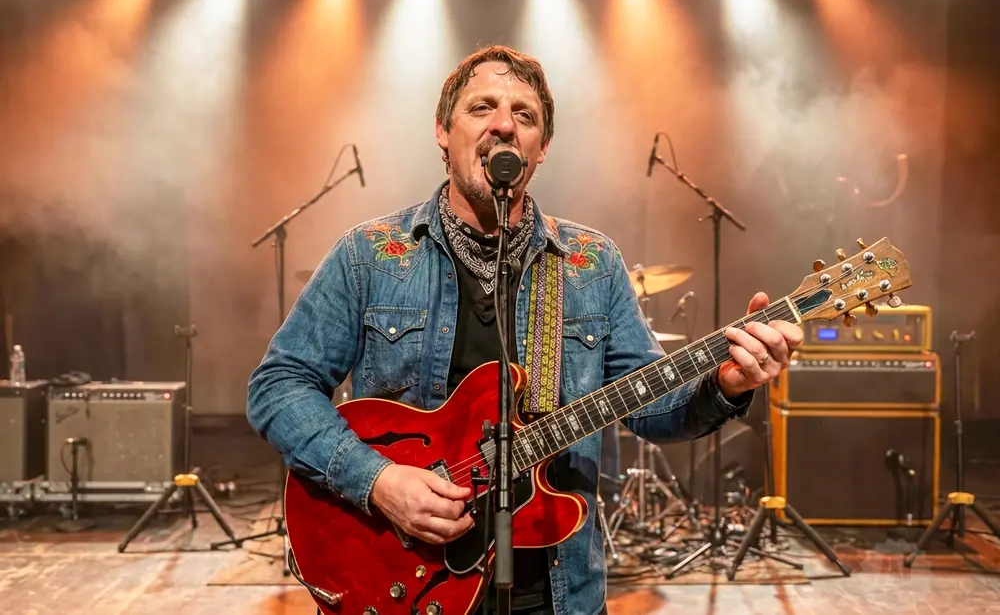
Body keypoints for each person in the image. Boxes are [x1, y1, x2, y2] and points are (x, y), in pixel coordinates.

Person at [247, 45, 803, 615]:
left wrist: (725, 384)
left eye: (525, 115)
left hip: (554, 590)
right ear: (443, 130)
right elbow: (278, 385)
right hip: (399, 577)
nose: (504, 125)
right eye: (481, 107)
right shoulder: (372, 255)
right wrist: (378, 480)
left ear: (542, 148)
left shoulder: (590, 263)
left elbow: (649, 407)